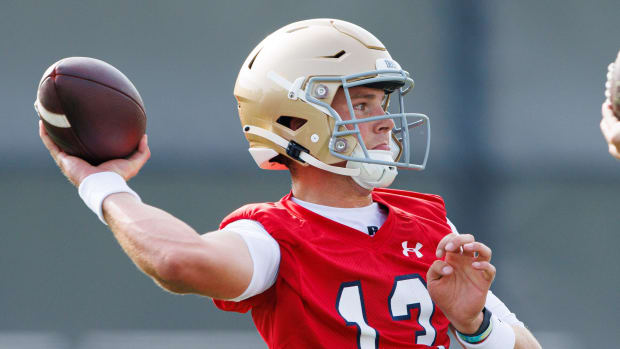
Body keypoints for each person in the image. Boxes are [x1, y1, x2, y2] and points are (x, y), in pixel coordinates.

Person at [39, 19, 541, 349]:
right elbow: (178, 261)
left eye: (383, 106)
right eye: (361, 105)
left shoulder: (430, 223)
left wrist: (475, 328)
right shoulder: (274, 237)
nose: (385, 122)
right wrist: (103, 186)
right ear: (295, 123)